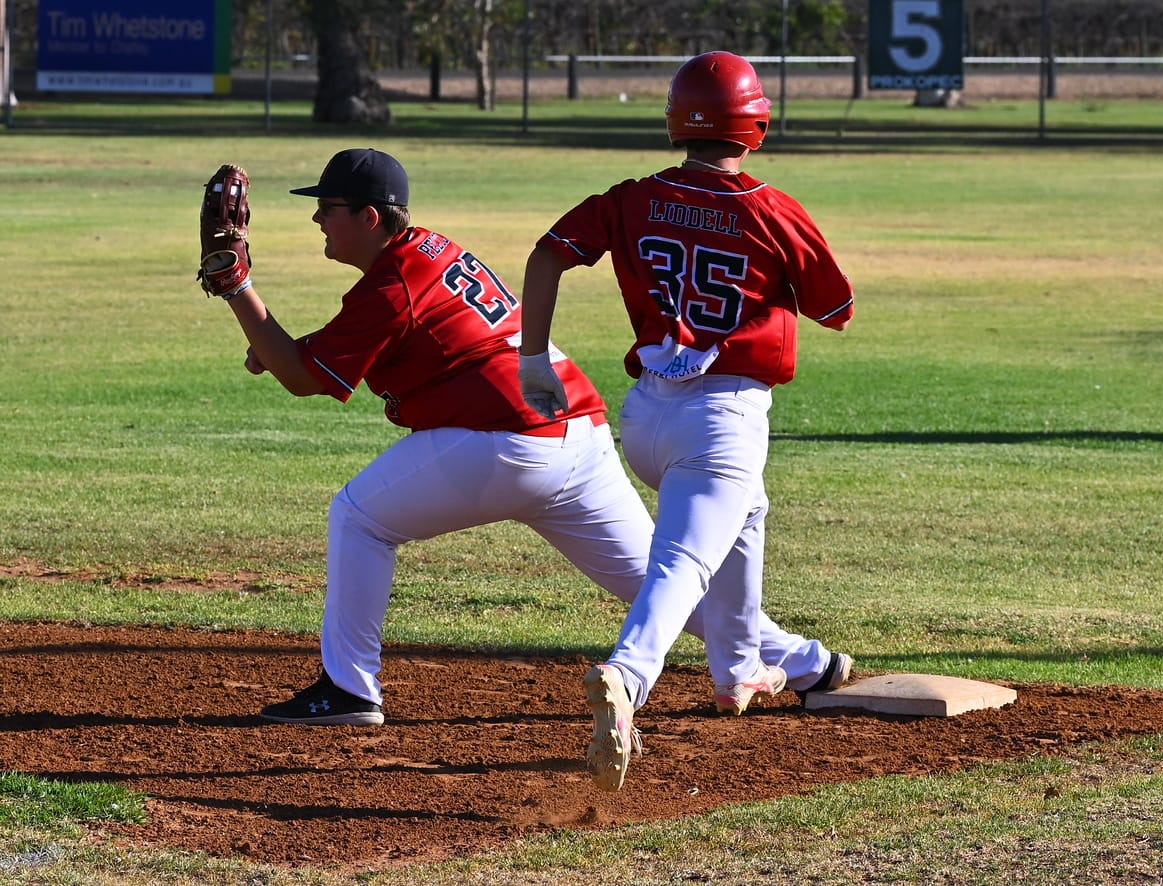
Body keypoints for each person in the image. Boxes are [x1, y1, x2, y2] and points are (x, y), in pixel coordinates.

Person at [200, 147, 852, 728]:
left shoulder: (392, 283)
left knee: (359, 516)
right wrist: (273, 342)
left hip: (506, 443)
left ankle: (348, 687)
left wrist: (238, 289)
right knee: (655, 583)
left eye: (329, 208)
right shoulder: (429, 251)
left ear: (370, 217)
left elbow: (303, 378)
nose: (319, 219)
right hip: (576, 434)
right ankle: (805, 663)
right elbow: (323, 351)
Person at [518, 52, 856, 791]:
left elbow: (547, 256)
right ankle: (626, 677)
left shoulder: (632, 197)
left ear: (677, 121)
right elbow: (836, 309)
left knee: (745, 519)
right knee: (681, 565)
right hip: (724, 417)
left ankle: (737, 672)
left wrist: (533, 357)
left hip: (644, 418)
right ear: (755, 121)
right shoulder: (773, 208)